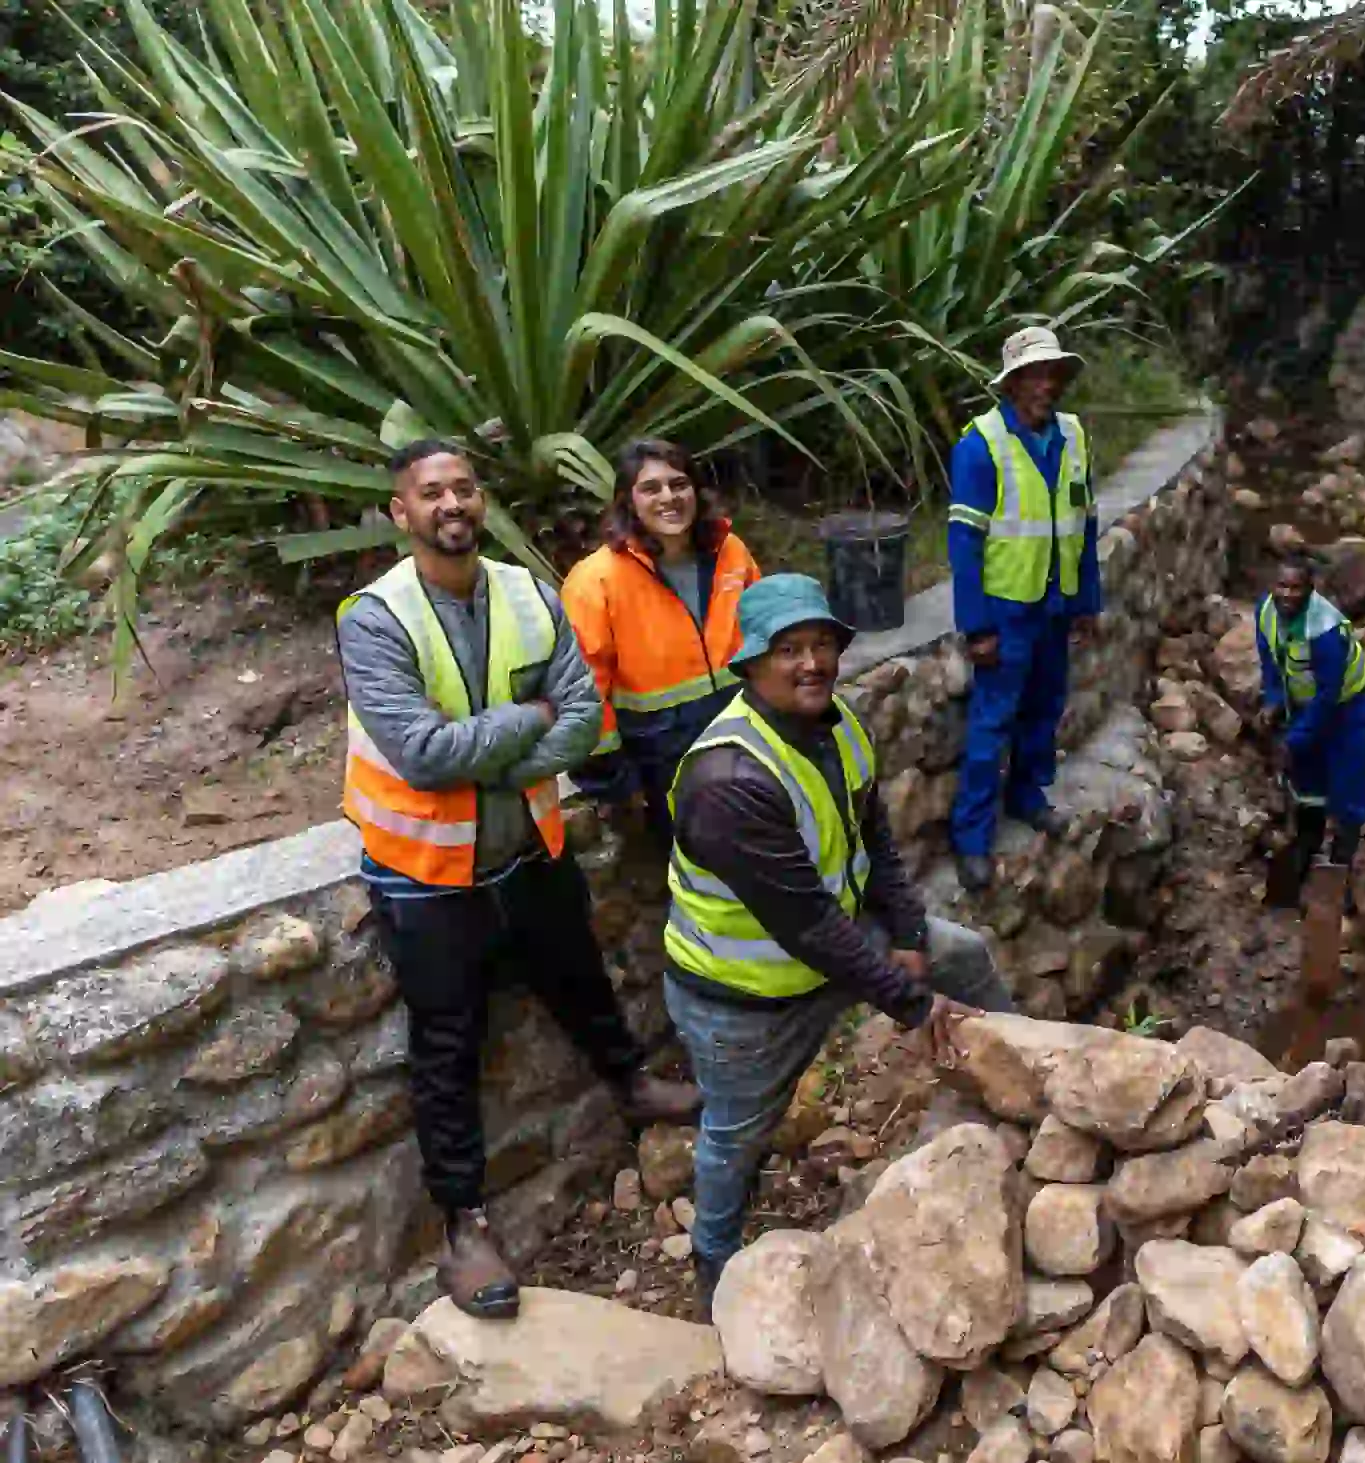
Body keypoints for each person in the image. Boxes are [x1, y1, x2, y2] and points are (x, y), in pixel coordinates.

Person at [337, 439, 700, 1321]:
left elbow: (582, 717)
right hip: (426, 874)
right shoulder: (374, 617)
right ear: (401, 511)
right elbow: (420, 754)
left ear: (481, 498)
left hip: (529, 847)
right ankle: (466, 1225)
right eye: (431, 492)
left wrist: (500, 748)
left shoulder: (527, 591)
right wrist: (525, 721)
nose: (451, 503)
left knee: (579, 975)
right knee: (447, 1048)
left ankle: (631, 1082)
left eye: (463, 487)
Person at [664, 573, 1016, 1297]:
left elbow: (875, 838)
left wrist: (912, 931)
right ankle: (714, 1265)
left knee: (963, 954)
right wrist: (912, 1003)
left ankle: (1023, 1079)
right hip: (745, 994)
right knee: (736, 1134)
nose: (812, 663)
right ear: (750, 664)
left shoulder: (838, 723)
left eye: (822, 644)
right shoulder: (730, 778)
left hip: (836, 943)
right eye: (788, 648)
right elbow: (806, 924)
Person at [947, 325, 1102, 890]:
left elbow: (1084, 522)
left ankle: (1028, 797)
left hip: (1055, 602)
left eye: (1052, 374)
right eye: (1033, 375)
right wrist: (977, 626)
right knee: (991, 723)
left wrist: (1087, 600)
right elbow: (963, 544)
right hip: (1007, 609)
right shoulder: (980, 445)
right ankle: (971, 839)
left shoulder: (1074, 436)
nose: (1045, 385)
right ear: (1011, 383)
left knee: (1045, 706)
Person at [561, 439, 761, 843]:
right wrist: (614, 782)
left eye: (679, 483)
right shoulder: (594, 581)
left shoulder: (731, 552)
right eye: (651, 488)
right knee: (703, 881)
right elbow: (583, 691)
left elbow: (766, 635)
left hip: (749, 739)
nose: (669, 497)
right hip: (664, 763)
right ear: (627, 501)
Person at [1255, 554, 1365, 888]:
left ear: (1311, 590)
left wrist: (1292, 741)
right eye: (1282, 585)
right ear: (1272, 586)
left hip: (1349, 705)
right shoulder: (1264, 612)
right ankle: (1306, 846)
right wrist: (1273, 700)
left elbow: (1328, 697)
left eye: (1297, 588)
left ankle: (1340, 867)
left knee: (1346, 777)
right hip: (1305, 699)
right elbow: (1270, 661)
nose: (1288, 594)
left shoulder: (1324, 631)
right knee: (1306, 775)